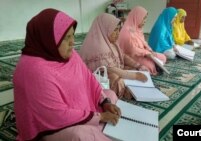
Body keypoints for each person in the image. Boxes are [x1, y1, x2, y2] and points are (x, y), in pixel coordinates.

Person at [13, 8, 121, 141]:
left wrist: (105, 102)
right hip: (51, 127)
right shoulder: (33, 70)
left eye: (72, 35)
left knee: (110, 94)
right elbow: (54, 116)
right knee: (80, 135)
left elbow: (89, 80)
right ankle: (98, 130)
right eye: (66, 38)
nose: (72, 42)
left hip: (80, 110)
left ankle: (99, 129)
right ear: (48, 39)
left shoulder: (70, 55)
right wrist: (101, 117)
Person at [79, 13, 148, 100]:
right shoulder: (98, 46)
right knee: (116, 79)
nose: (117, 33)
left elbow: (122, 56)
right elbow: (111, 69)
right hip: (100, 76)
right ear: (105, 28)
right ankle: (126, 92)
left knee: (134, 69)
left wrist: (138, 66)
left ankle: (133, 89)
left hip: (114, 69)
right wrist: (135, 76)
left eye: (119, 30)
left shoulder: (111, 42)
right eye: (114, 30)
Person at [118, 6, 167, 75]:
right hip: (132, 56)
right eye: (143, 18)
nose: (145, 21)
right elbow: (132, 50)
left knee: (163, 57)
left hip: (143, 54)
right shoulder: (126, 31)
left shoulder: (138, 29)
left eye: (145, 18)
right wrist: (146, 53)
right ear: (137, 17)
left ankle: (155, 63)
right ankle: (154, 65)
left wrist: (150, 51)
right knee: (150, 66)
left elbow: (144, 43)